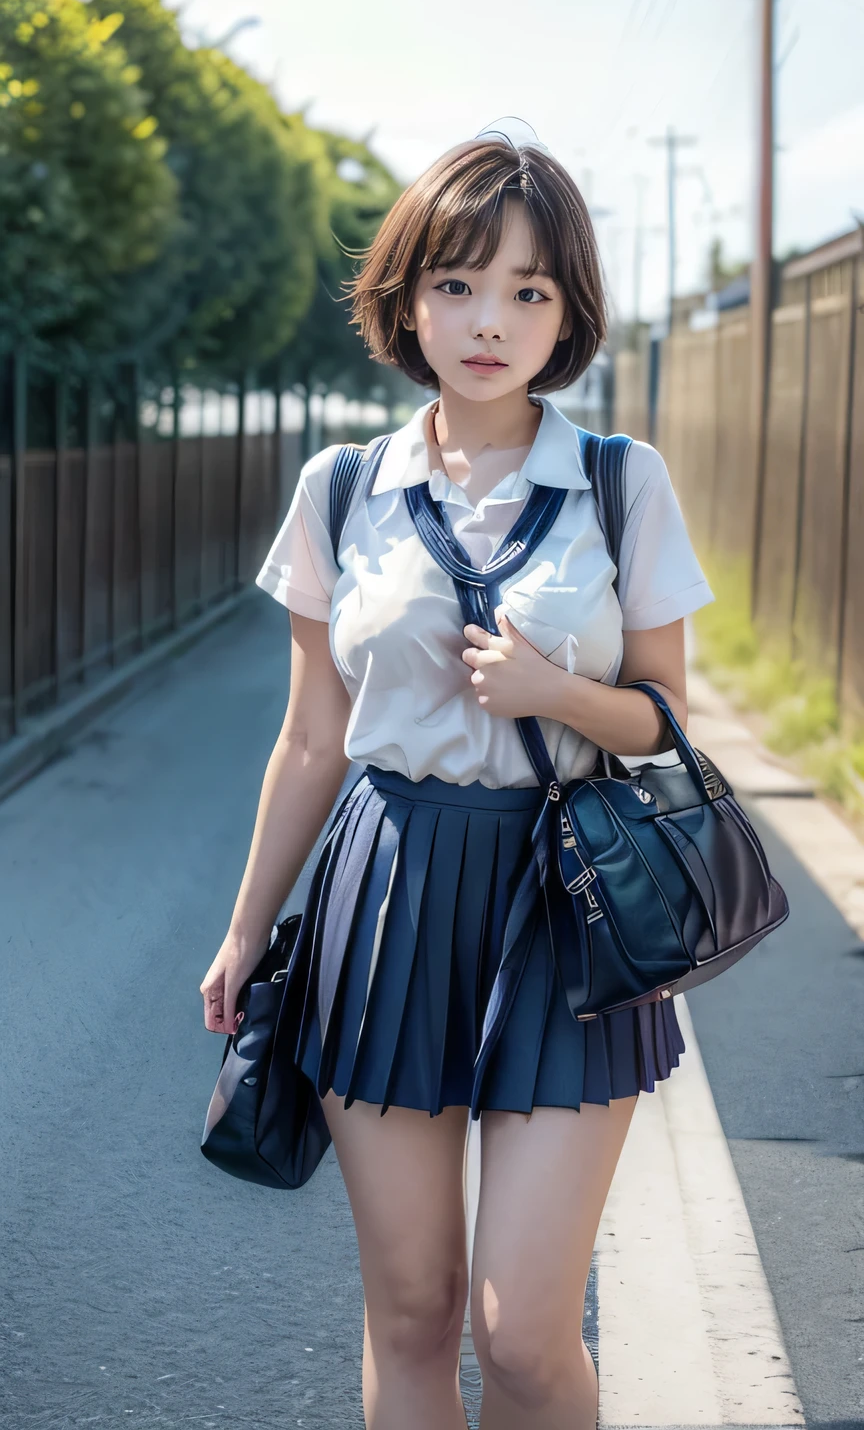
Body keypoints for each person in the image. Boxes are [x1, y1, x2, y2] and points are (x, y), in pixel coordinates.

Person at [199, 135, 713, 1430]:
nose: (491, 321)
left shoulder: (619, 482)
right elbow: (314, 735)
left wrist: (556, 696)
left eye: (531, 292)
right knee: (415, 1311)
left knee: (524, 1333)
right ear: (408, 293)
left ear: (568, 314)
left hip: (568, 896)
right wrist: (251, 925)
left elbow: (663, 723)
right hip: (387, 895)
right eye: (461, 284)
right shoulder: (340, 490)